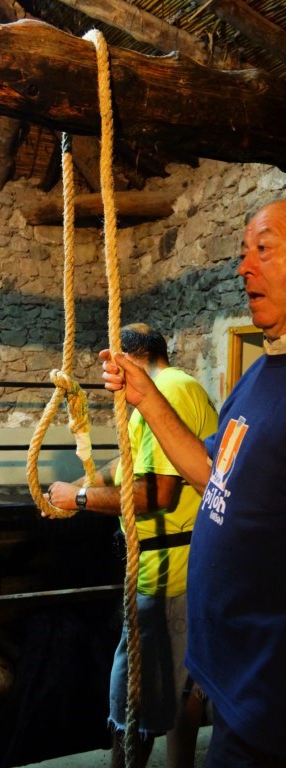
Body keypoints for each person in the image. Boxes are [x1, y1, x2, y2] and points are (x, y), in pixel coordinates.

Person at [101, 199, 286, 768]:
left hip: (269, 700)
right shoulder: (261, 373)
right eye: (243, 253)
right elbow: (212, 475)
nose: (244, 267)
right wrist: (145, 397)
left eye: (264, 249)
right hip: (235, 678)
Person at [44, 323, 218, 768]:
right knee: (179, 685)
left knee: (134, 699)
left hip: (168, 574)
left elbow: (157, 493)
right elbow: (128, 462)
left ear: (126, 359)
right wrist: (79, 485)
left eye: (111, 363)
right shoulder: (163, 394)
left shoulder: (170, 390)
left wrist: (79, 499)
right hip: (168, 568)